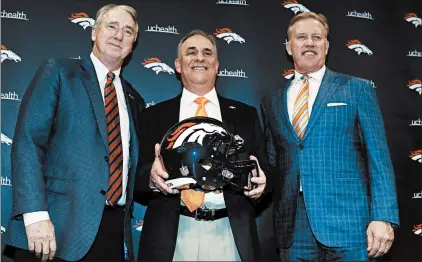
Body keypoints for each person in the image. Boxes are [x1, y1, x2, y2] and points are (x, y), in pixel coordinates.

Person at [3, 4, 144, 261]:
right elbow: (29, 142)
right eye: (112, 26)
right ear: (94, 32)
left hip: (111, 235)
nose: (118, 35)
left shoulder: (135, 99)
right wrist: (34, 215)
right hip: (54, 229)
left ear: (133, 43)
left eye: (128, 31)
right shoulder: (59, 72)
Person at [261, 12, 399, 261]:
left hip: (349, 222)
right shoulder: (271, 101)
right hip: (293, 225)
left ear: (326, 45)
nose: (310, 42)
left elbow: (378, 156)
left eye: (317, 37)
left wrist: (384, 215)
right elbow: (273, 162)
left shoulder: (356, 89)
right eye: (301, 37)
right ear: (289, 47)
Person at [135, 30, 269, 261]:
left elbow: (265, 167)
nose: (199, 58)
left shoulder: (246, 115)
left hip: (229, 232)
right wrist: (151, 177)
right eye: (191, 52)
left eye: (207, 53)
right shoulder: (153, 116)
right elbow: (135, 174)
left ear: (217, 65)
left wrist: (263, 181)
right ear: (178, 65)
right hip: (172, 234)